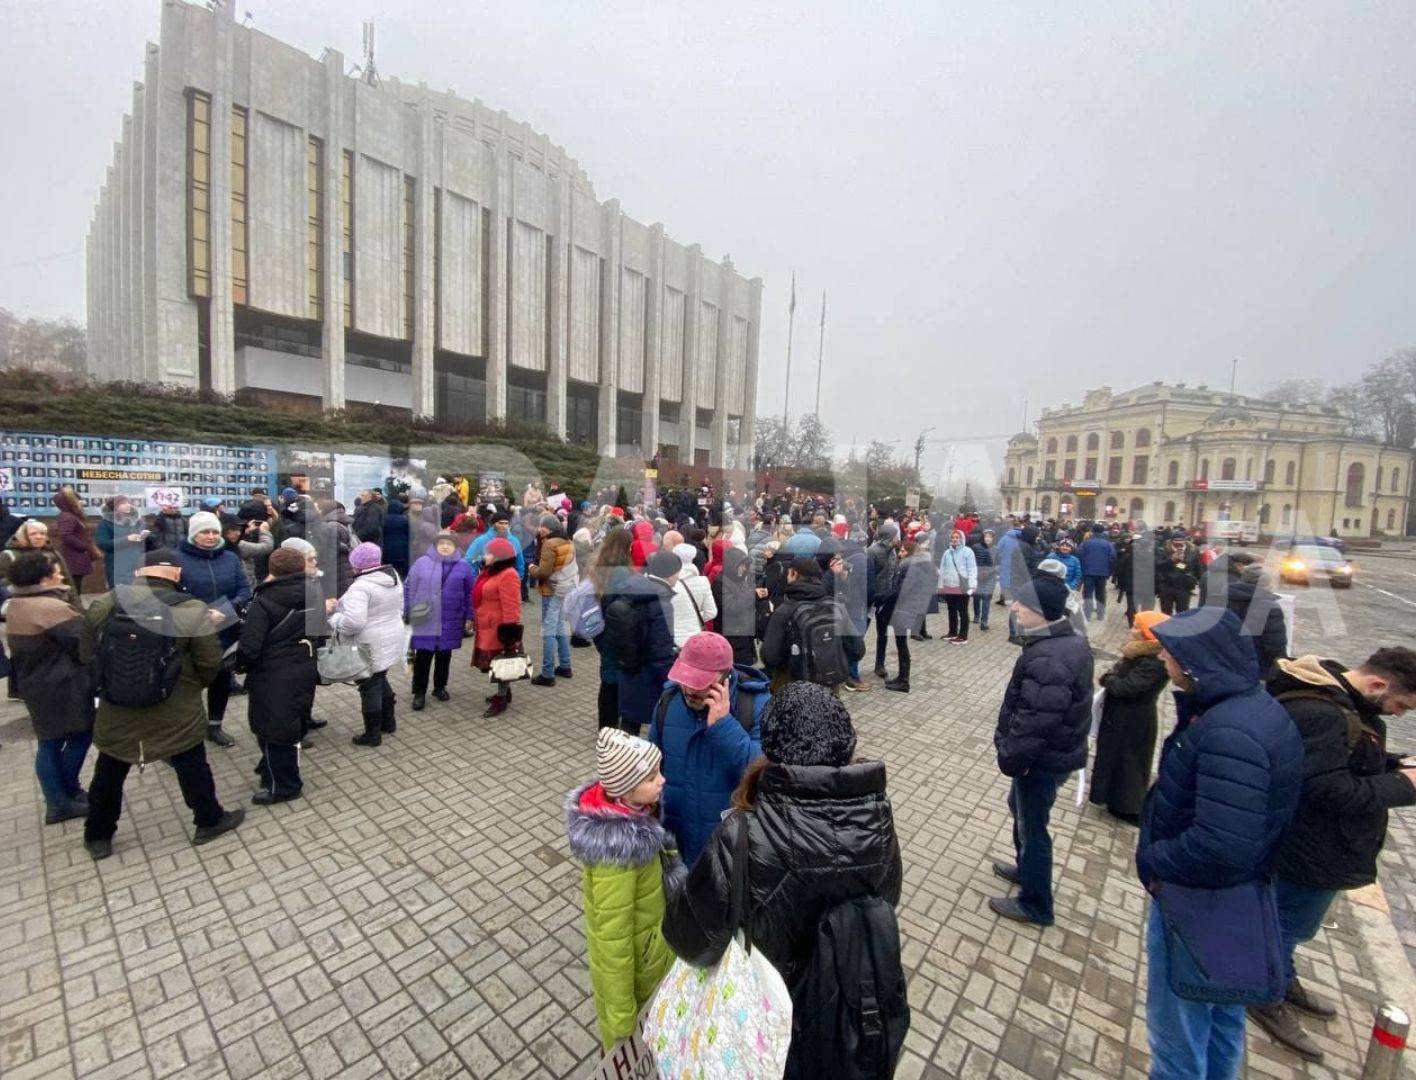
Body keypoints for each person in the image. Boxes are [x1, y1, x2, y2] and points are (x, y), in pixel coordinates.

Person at [661, 682, 904, 1077]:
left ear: (771, 748)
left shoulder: (743, 834)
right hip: (849, 1011)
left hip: (767, 1022)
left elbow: (690, 940)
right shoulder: (877, 820)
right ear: (845, 744)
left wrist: (676, 884)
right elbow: (887, 899)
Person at [1138, 608, 1304, 1080]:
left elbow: (1221, 844)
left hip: (1200, 900)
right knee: (1222, 1016)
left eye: (1171, 652)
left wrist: (1156, 863)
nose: (1164, 659)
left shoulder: (1230, 731)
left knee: (1178, 1032)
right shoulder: (1248, 709)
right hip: (1237, 895)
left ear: (1197, 663)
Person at [1250, 648, 1416, 1063]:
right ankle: (1264, 992)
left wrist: (1393, 762)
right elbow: (1324, 787)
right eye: (1400, 705)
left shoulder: (1340, 702)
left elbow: (1340, 760)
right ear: (1378, 685)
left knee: (1292, 925)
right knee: (1285, 924)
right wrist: (1403, 786)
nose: (1398, 715)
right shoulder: (1323, 713)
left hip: (1317, 844)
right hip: (1308, 845)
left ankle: (1281, 978)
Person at [80, 549, 246, 859]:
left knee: (111, 766)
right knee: (190, 762)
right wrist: (190, 685)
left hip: (118, 703)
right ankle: (208, 819)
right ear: (177, 575)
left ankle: (98, 835)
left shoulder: (106, 602)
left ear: (140, 572)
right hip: (175, 704)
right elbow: (210, 662)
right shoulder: (192, 610)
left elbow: (87, 653)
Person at [565, 728, 680, 1050]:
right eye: (651, 777)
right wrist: (621, 1022)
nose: (663, 780)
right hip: (639, 975)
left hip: (651, 956)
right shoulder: (616, 855)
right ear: (627, 791)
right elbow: (611, 942)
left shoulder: (636, 816)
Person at [989, 574, 1093, 927]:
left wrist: (1012, 758)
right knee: (1018, 809)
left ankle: (1036, 904)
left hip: (1042, 760)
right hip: (1050, 755)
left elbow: (1037, 720)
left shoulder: (1050, 658)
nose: (1015, 607)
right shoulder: (1064, 640)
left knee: (1034, 827)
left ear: (1042, 612)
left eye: (1023, 603)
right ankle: (1026, 869)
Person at [647, 631, 769, 866]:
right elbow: (650, 766)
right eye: (686, 680)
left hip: (728, 847)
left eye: (700, 683)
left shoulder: (756, 705)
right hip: (676, 841)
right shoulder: (667, 702)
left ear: (725, 677)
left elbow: (762, 775)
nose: (690, 690)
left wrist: (724, 727)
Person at [4, 550, 94, 824]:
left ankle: (63, 796)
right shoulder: (49, 609)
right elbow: (84, 645)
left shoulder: (17, 603)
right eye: (55, 571)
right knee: (79, 735)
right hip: (60, 684)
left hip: (36, 682)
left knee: (49, 741)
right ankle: (61, 799)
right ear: (44, 579)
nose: (60, 574)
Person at [237, 548, 323, 805]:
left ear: (272, 570)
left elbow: (250, 645)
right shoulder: (315, 591)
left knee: (273, 729)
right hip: (304, 665)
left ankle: (284, 785)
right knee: (292, 722)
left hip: (272, 673)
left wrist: (239, 665)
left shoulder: (264, 599)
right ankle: (270, 770)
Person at [175, 510, 252, 748]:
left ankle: (215, 726)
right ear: (193, 534)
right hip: (192, 631)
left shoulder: (229, 558)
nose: (210, 536)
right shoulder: (177, 559)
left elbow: (244, 590)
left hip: (225, 628)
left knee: (220, 679)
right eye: (204, 532)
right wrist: (202, 613)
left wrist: (227, 610)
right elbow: (171, 595)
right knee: (188, 683)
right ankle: (183, 731)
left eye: (214, 532)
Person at [1089, 611, 1170, 823]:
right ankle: (1111, 796)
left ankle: (1128, 806)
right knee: (1115, 757)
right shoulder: (1140, 654)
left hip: (1135, 719)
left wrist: (1107, 679)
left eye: (1137, 628)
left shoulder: (1155, 661)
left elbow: (1128, 687)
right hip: (1121, 715)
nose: (1131, 630)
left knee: (1130, 762)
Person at [329, 542, 405, 747]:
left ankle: (372, 735)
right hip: (390, 636)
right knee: (380, 678)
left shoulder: (360, 586)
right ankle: (388, 723)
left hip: (369, 643)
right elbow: (400, 608)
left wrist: (334, 618)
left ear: (358, 565)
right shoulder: (393, 577)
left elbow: (354, 622)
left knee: (369, 686)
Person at [404, 531, 475, 711]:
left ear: (455, 547)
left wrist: (469, 616)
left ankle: (439, 687)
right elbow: (408, 588)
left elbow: (469, 594)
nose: (445, 546)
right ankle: (419, 692)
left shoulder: (463, 566)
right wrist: (407, 612)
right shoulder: (422, 563)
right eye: (441, 543)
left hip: (450, 618)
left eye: (449, 544)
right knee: (423, 657)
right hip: (425, 618)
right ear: (435, 545)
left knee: (444, 656)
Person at [611, 550, 679, 733]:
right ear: (670, 572)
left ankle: (622, 758)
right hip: (650, 674)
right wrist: (669, 682)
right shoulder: (662, 602)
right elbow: (661, 649)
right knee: (661, 723)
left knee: (629, 723)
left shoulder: (631, 588)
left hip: (629, 667)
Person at [1200, 550, 1289, 678]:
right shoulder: (1270, 609)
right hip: (1255, 667)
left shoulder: (1220, 599)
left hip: (1223, 663)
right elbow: (1275, 646)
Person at [759, 556, 829, 692]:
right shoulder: (833, 606)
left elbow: (769, 656)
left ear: (794, 574)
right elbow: (858, 650)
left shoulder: (785, 610)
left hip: (791, 684)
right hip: (827, 683)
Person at [471, 537, 524, 717]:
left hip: (500, 628)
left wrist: (510, 634)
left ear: (499, 557)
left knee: (502, 661)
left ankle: (501, 699)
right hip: (487, 625)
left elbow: (512, 605)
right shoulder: (490, 572)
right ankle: (505, 692)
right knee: (496, 662)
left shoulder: (508, 574)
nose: (485, 556)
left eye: (488, 553)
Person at [588, 528, 635, 728]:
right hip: (616, 632)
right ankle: (609, 727)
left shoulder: (600, 566)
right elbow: (622, 605)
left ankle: (605, 725)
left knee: (608, 677)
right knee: (614, 681)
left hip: (602, 629)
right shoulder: (621, 571)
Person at [527, 514, 576, 686]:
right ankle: (565, 665)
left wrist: (532, 568)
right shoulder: (568, 542)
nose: (539, 530)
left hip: (551, 591)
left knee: (548, 632)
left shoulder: (549, 544)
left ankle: (548, 674)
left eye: (541, 527)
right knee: (560, 628)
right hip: (565, 590)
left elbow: (544, 572)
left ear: (547, 528)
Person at [710, 545, 764, 667]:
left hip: (743, 633)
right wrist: (752, 594)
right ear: (731, 565)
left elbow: (744, 601)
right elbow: (730, 607)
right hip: (732, 636)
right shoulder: (720, 582)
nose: (744, 568)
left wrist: (758, 596)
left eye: (745, 565)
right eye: (741, 565)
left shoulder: (738, 579)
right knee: (739, 668)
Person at [1, 519, 75, 598]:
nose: (39, 537)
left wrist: (76, 606)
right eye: (33, 534)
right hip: (22, 602)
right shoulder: (8, 555)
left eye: (42, 534)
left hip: (55, 600)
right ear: (22, 536)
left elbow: (67, 581)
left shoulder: (53, 553)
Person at [668, 542, 718, 648]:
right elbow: (711, 612)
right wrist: (694, 618)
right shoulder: (703, 581)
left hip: (671, 637)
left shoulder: (667, 582)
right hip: (695, 638)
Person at [95, 495, 148, 590]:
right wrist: (127, 539)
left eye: (128, 502)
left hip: (137, 565)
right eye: (123, 503)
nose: (128, 505)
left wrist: (145, 536)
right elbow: (102, 543)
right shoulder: (106, 523)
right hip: (117, 566)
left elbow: (147, 539)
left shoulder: (135, 522)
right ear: (114, 507)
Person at [937, 528, 978, 644]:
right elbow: (943, 568)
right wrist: (941, 585)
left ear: (961, 539)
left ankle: (963, 636)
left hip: (962, 586)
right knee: (951, 610)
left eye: (957, 537)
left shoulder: (968, 551)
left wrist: (972, 585)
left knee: (963, 611)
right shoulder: (947, 552)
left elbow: (972, 569)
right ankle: (952, 632)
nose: (955, 539)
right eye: (953, 537)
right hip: (949, 585)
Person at [1077, 524, 1116, 621]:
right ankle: (1100, 614)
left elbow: (1079, 555)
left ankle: (1088, 615)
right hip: (1103, 573)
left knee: (1088, 593)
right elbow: (1113, 558)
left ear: (1092, 531)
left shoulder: (1085, 543)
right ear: (1103, 532)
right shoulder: (1108, 544)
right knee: (1101, 593)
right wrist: (1109, 572)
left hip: (1088, 572)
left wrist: (1082, 569)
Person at [1156, 534, 1202, 615]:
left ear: (1184, 540)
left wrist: (1200, 581)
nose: (1178, 542)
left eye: (1180, 540)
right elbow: (1158, 565)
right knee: (1166, 612)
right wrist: (1171, 560)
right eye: (1175, 540)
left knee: (1183, 612)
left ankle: (1180, 627)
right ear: (1171, 541)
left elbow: (1197, 566)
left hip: (1184, 586)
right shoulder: (1163, 550)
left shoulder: (1193, 550)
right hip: (1167, 586)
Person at [969, 529, 997, 632]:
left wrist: (990, 571)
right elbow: (972, 561)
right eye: (986, 536)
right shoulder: (976, 547)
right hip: (977, 575)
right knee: (976, 597)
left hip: (990, 577)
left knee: (986, 598)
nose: (988, 539)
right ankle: (977, 614)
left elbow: (999, 564)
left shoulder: (996, 549)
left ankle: (984, 621)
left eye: (990, 537)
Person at [381, 497, 412, 580]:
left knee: (388, 571)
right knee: (401, 572)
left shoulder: (384, 519)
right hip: (402, 549)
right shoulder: (404, 520)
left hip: (387, 549)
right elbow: (409, 534)